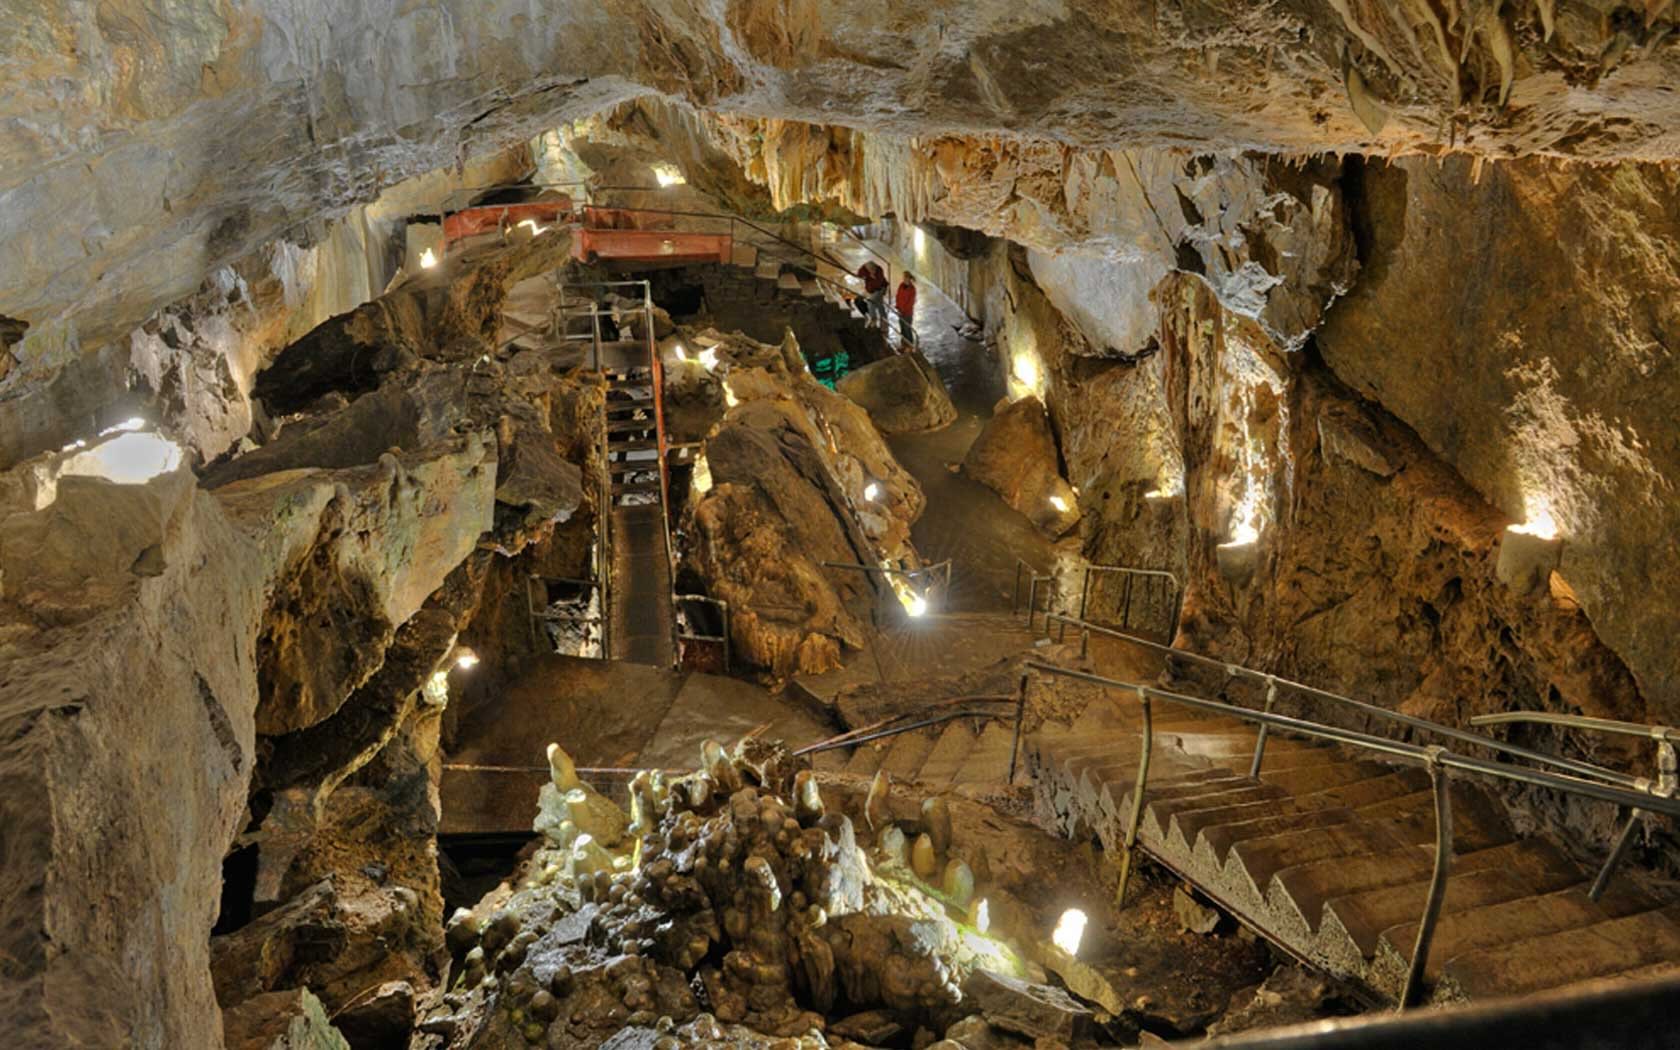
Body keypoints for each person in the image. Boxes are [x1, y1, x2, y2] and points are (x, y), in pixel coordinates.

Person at [857, 261, 890, 329]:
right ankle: (884, 322)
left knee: (870, 302)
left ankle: (874, 319)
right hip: (871, 289)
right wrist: (868, 275)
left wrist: (869, 277)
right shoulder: (865, 269)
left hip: (880, 288)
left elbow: (877, 284)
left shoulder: (879, 270)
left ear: (875, 268)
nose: (872, 272)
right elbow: (859, 274)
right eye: (870, 270)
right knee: (879, 305)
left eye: (873, 270)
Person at [894, 273, 917, 349]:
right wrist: (898, 307)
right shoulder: (901, 285)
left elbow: (910, 303)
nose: (904, 279)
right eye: (903, 278)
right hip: (900, 311)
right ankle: (904, 344)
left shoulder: (912, 289)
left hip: (907, 313)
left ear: (909, 278)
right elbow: (897, 296)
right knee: (902, 328)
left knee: (907, 329)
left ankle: (910, 346)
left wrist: (903, 311)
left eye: (905, 278)